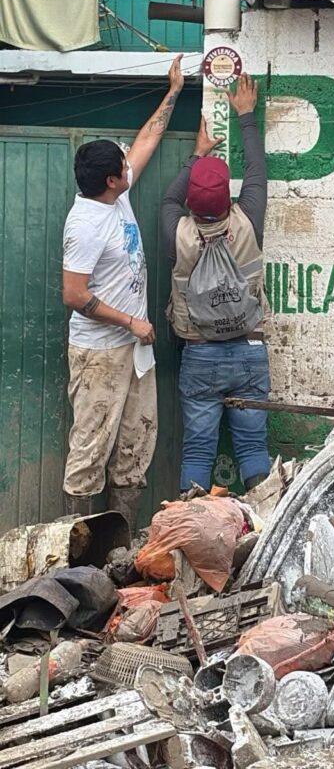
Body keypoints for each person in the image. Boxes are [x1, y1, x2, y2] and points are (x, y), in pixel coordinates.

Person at [61, 54, 186, 531]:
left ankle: (120, 547)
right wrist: (130, 321)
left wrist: (173, 91)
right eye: (121, 166)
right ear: (110, 181)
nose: (127, 166)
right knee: (89, 451)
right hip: (99, 353)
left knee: (135, 445)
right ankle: (73, 552)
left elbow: (146, 141)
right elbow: (74, 295)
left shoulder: (115, 195)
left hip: (135, 350)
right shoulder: (86, 224)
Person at [161, 72, 272, 494]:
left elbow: (169, 199)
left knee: (198, 448)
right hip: (249, 351)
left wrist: (197, 155)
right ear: (229, 198)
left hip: (199, 354)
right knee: (252, 446)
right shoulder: (249, 220)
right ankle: (265, 518)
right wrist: (246, 115)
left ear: (191, 201)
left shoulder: (177, 232)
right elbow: (257, 170)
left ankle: (191, 524)